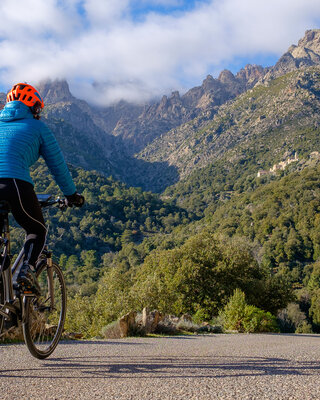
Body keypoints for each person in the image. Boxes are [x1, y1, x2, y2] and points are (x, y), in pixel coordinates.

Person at [0, 82, 84, 295]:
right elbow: (57, 165)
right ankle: (26, 272)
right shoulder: (38, 128)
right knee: (37, 230)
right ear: (33, 107)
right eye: (38, 108)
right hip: (15, 183)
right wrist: (71, 195)